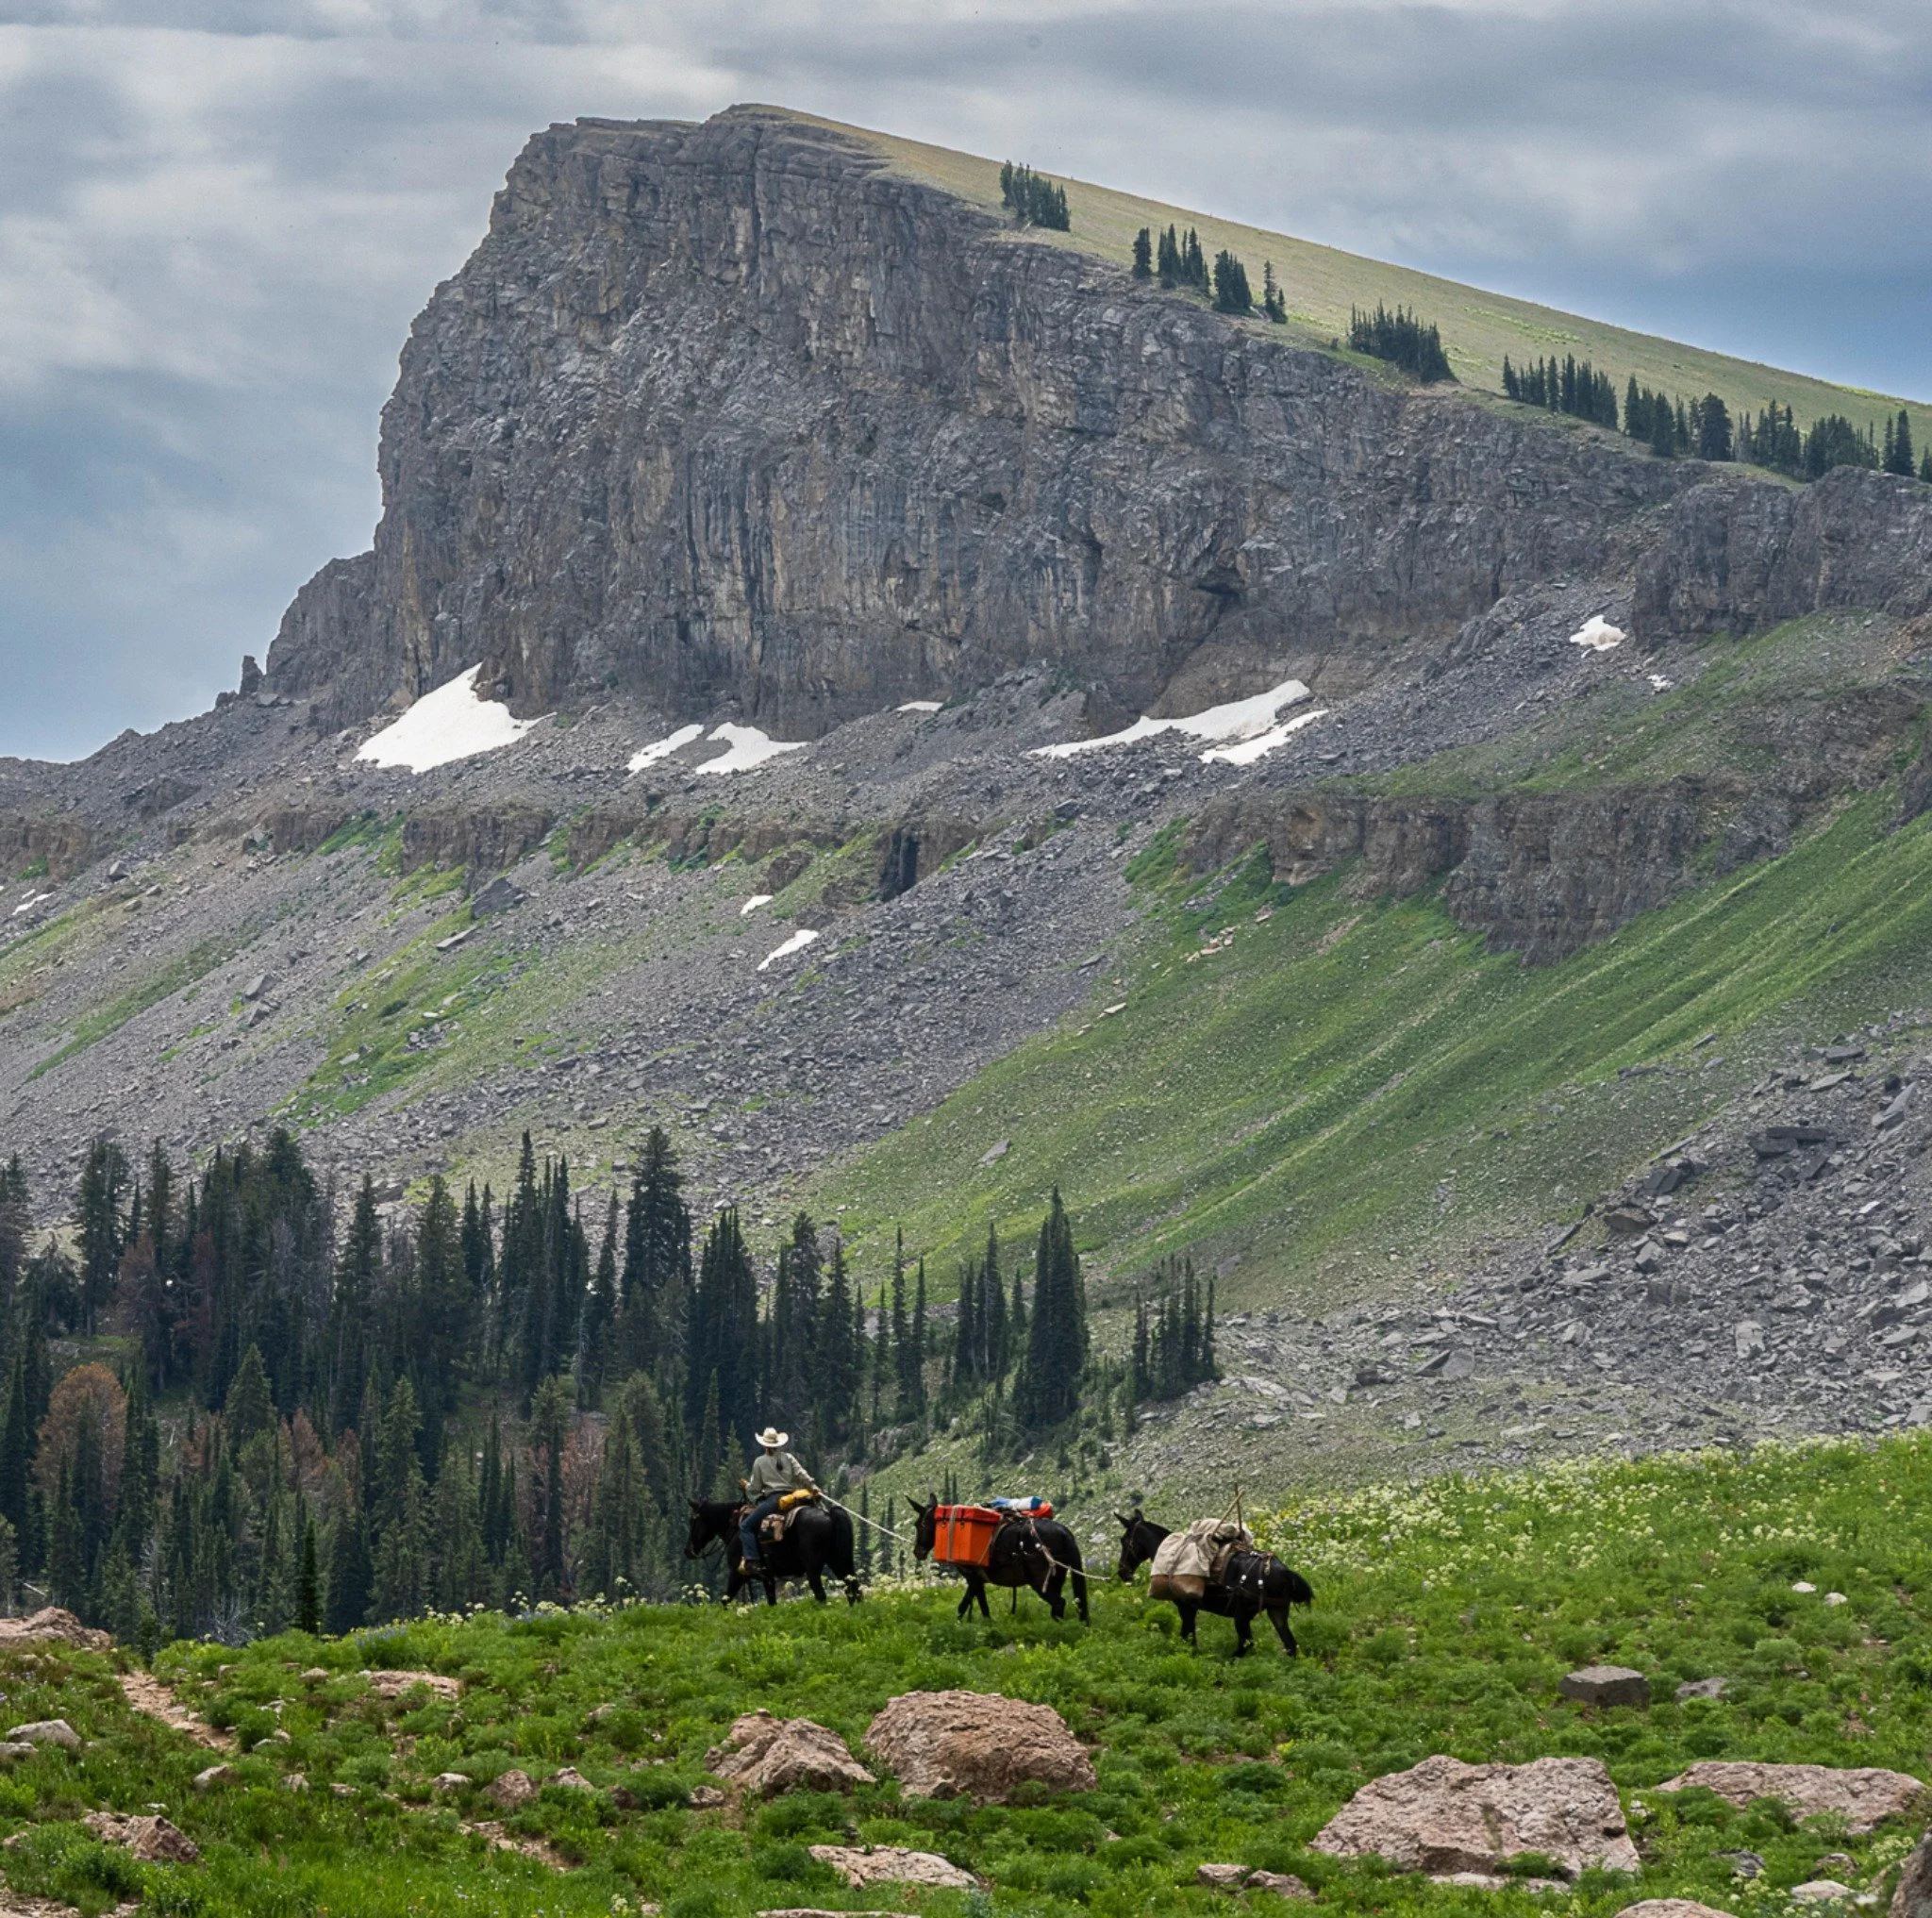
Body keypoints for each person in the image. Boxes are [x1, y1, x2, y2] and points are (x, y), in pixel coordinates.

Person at [738, 1426, 819, 1575]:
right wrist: (813, 1487)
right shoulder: (788, 1458)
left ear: (764, 1445)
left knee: (746, 1527)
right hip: (793, 1498)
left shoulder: (760, 1461)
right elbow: (802, 1475)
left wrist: (746, 1486)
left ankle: (752, 1560)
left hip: (774, 1500)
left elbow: (755, 1488)